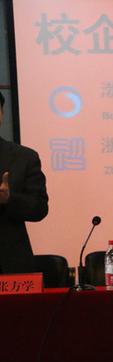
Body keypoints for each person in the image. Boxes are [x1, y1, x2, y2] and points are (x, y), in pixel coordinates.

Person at [0, 92, 49, 274]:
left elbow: (39, 208)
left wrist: (9, 199)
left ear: (2, 114)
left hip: (8, 263)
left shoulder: (24, 157)